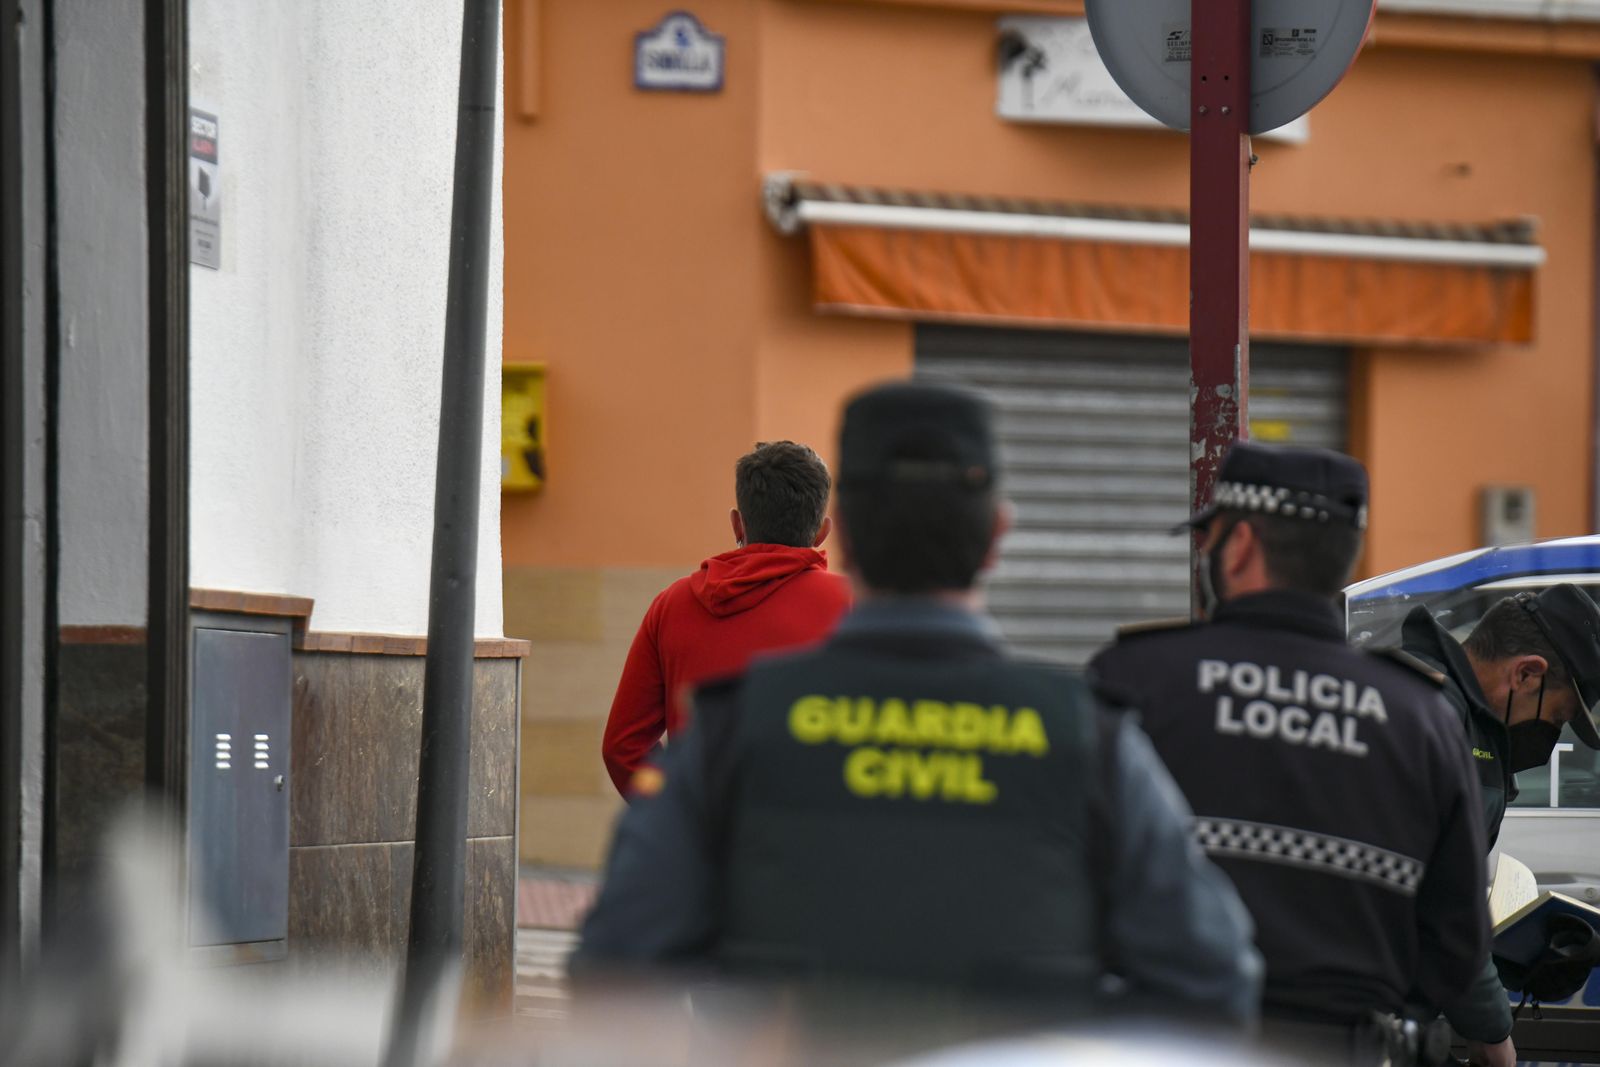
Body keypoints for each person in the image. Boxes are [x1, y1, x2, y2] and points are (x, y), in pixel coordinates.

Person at [574, 381, 1262, 1030]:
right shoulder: (1086, 738)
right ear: (997, 533)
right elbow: (1213, 980)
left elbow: (614, 965)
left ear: (840, 530)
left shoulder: (729, 733)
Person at [1088, 442, 1497, 1065]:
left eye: (1211, 538)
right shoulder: (1423, 718)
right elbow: (1457, 946)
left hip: (1160, 1040)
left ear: (1243, 544)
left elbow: (1064, 874)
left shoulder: (1136, 678)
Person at [1396, 582, 1600, 1062]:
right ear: (1527, 674)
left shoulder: (1459, 718)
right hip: (1372, 1016)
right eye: (1559, 716)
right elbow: (1442, 908)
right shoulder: (1435, 721)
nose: (1552, 735)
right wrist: (1492, 1031)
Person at [601, 440, 851, 796]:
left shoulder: (671, 605)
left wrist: (670, 813)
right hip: (811, 836)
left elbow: (622, 746)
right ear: (823, 532)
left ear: (738, 524)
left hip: (704, 838)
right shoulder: (852, 606)